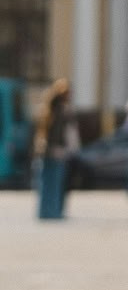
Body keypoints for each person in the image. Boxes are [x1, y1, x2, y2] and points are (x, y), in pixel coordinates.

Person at [31, 78, 75, 221]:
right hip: (56, 152)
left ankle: (44, 212)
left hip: (43, 152)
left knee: (44, 184)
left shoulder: (44, 109)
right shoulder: (62, 111)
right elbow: (64, 134)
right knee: (55, 185)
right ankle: (54, 212)